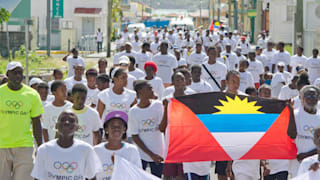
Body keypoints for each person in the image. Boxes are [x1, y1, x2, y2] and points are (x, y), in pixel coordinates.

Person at [0, 61, 43, 180]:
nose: (18, 76)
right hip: (2, 146)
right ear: (7, 75)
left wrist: (40, 147)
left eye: (20, 73)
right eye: (15, 73)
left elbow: (36, 122)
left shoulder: (32, 94)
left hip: (24, 147)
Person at [31, 110, 101, 180]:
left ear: (77, 127)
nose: (67, 122)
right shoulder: (44, 150)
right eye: (62, 120)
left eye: (71, 121)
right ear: (56, 125)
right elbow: (37, 178)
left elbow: (91, 177)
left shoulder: (86, 149)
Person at [128, 80, 165, 178]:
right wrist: (151, 154)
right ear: (140, 92)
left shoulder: (158, 105)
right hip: (142, 155)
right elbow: (135, 136)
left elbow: (162, 128)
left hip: (159, 153)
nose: (152, 90)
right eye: (149, 88)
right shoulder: (133, 112)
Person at [94, 111, 142, 179]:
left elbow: (137, 175)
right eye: (112, 125)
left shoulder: (132, 150)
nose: (116, 128)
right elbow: (90, 175)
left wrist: (119, 163)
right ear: (106, 129)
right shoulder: (96, 150)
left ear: (124, 129)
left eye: (119, 125)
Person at [160, 72, 188, 180]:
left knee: (181, 175)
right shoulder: (167, 100)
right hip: (171, 143)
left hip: (185, 143)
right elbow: (162, 127)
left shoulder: (191, 100)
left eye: (182, 79)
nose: (180, 82)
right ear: (173, 82)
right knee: (167, 176)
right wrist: (166, 108)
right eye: (177, 80)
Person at [288, 85, 320, 177]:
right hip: (296, 163)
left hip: (316, 163)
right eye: (308, 96)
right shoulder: (294, 115)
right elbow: (290, 136)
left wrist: (308, 155)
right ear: (301, 98)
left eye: (314, 96)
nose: (311, 99)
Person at [258, 85, 289, 180]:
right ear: (259, 94)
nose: (267, 95)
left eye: (269, 93)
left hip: (279, 156)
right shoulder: (254, 111)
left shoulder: (277, 109)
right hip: (264, 154)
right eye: (265, 92)